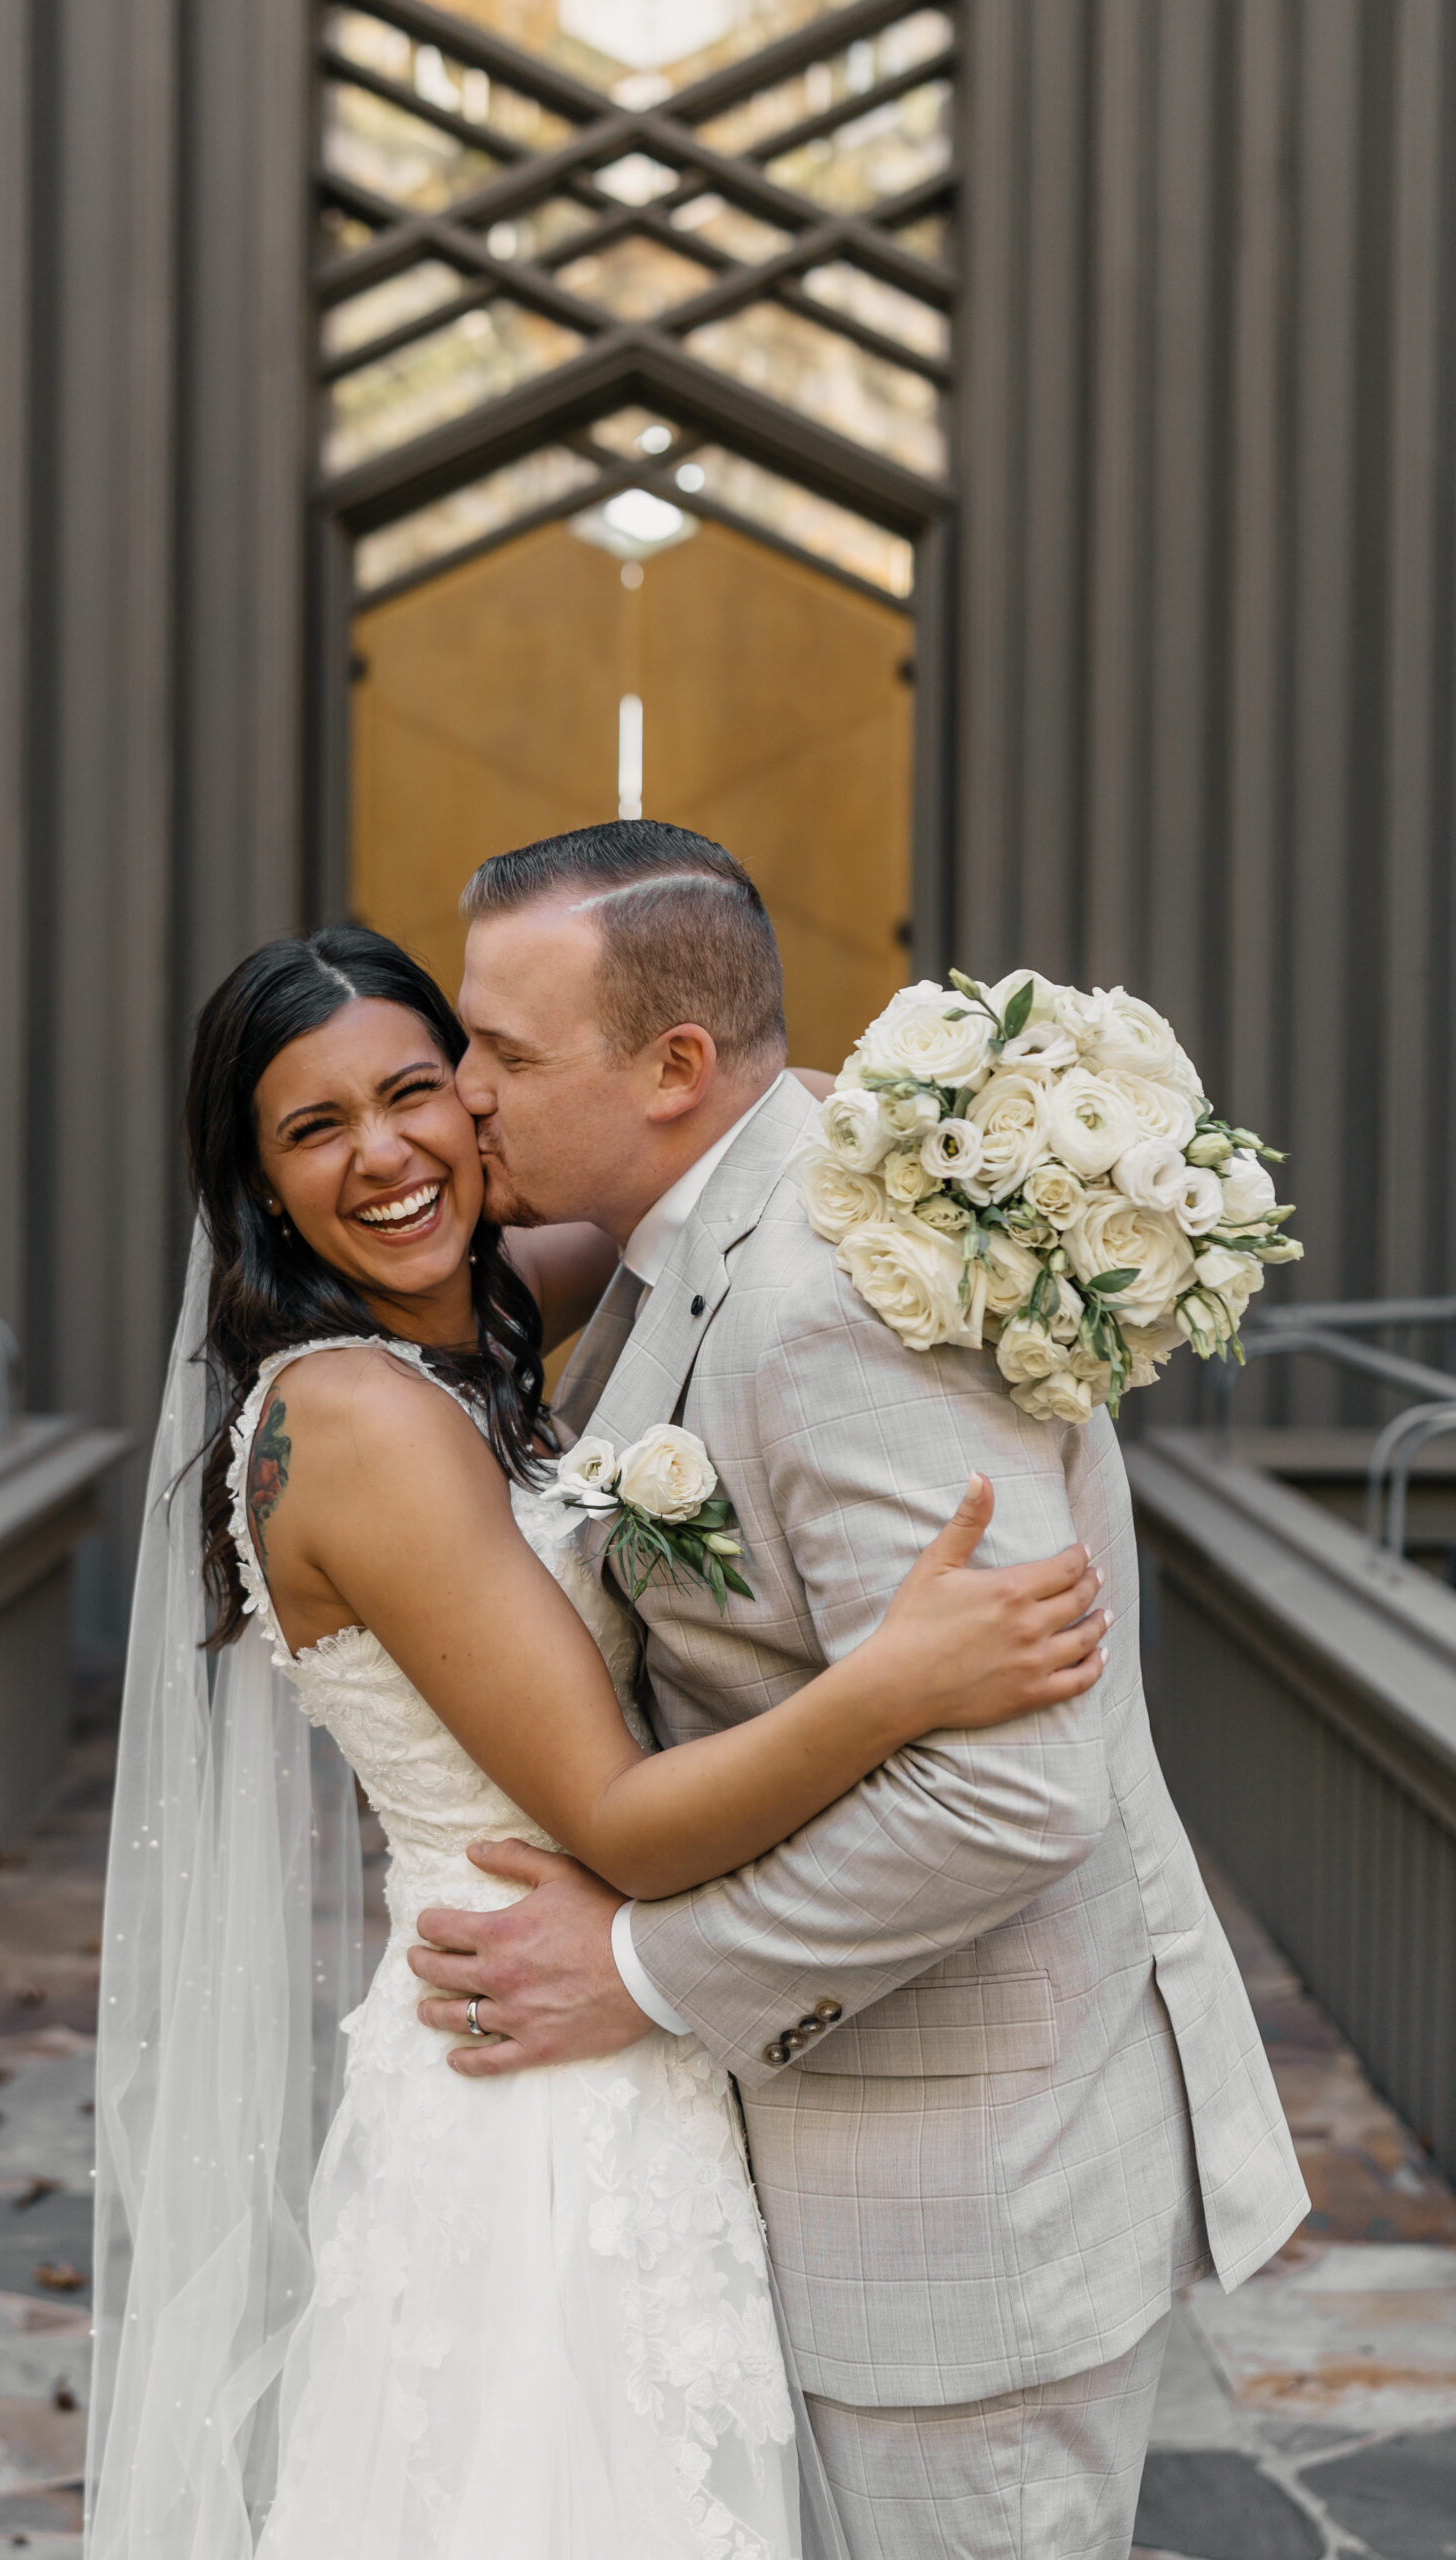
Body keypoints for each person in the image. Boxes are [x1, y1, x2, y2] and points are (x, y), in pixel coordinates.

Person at [86, 920, 1110, 2559]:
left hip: (582, 2045)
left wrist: (1006, 1136)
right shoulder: (356, 1424)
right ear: (261, 1185)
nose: (390, 1153)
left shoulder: (468, 1320)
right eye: (315, 1128)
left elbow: (698, 1193)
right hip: (536, 2083)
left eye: (423, 1088)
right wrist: (896, 1681)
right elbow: (623, 1824)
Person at [404, 821, 1310, 2560]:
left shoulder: (829, 1304)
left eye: (504, 1053)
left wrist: (645, 1969)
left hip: (963, 2223)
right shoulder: (728, 1215)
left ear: (676, 1067)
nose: (464, 1096)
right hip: (848, 2171)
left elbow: (1012, 1791)